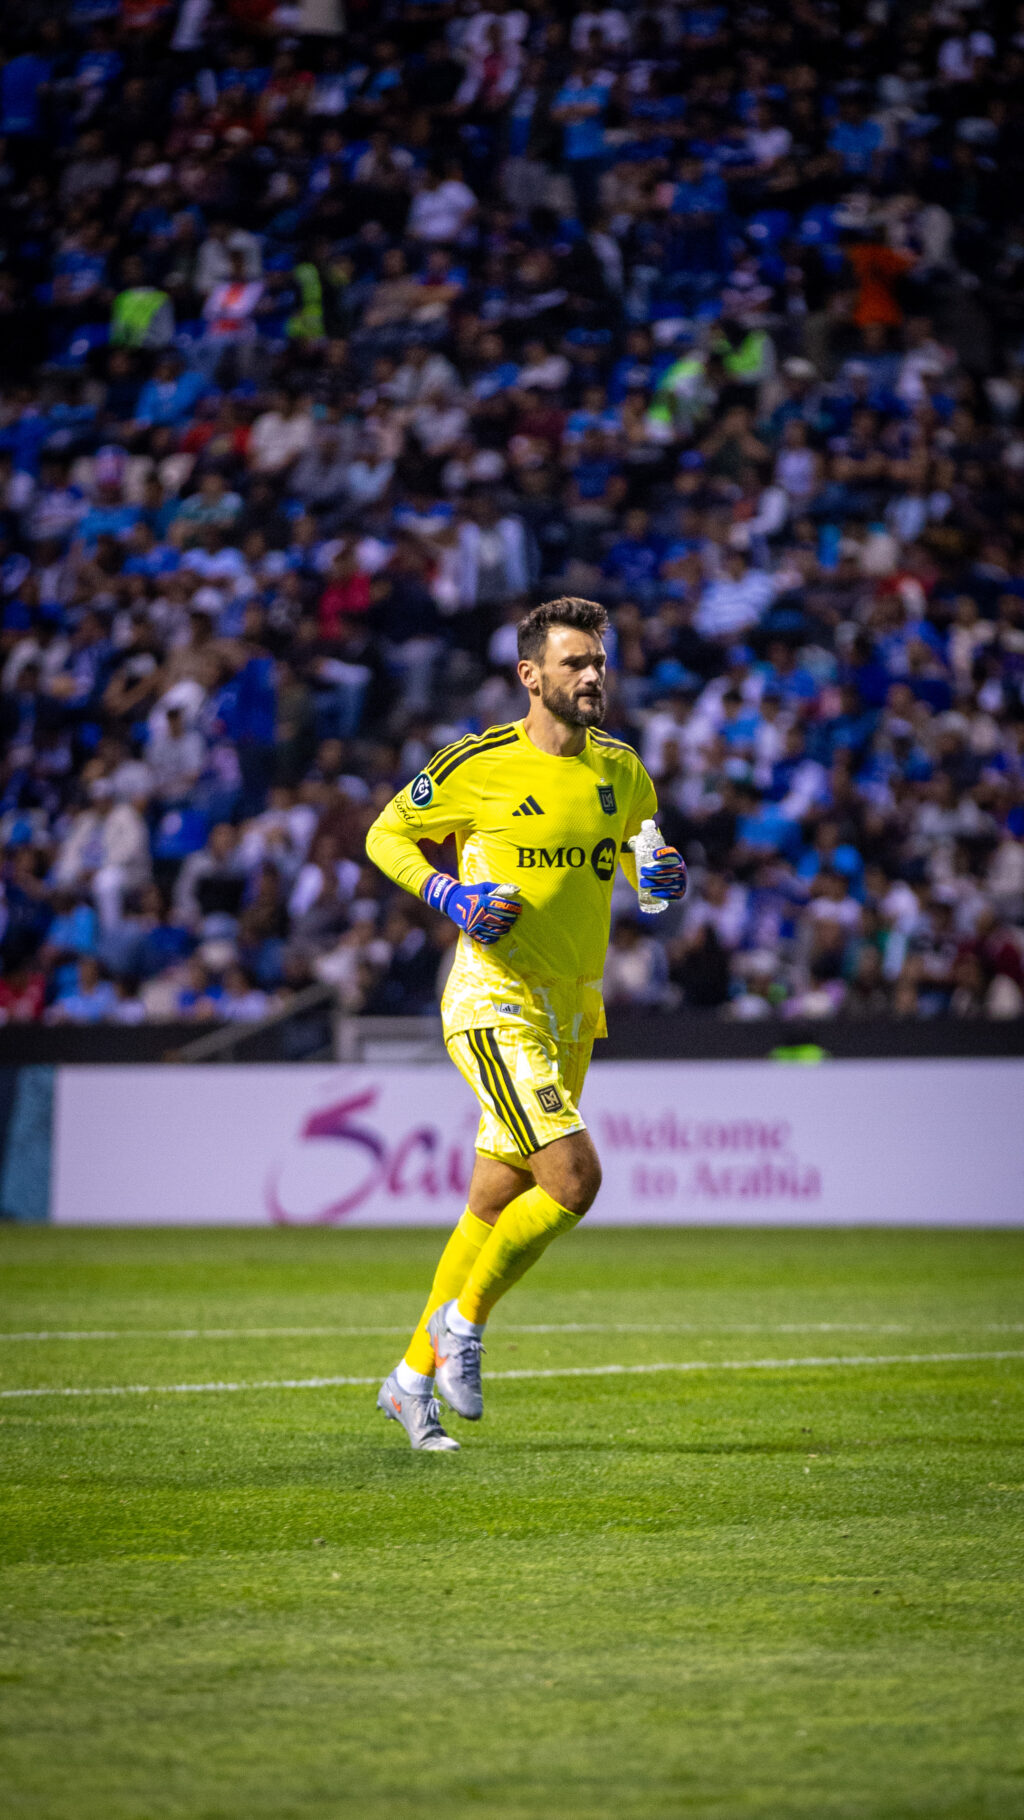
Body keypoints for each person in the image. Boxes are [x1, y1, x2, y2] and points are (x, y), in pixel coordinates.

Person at [364, 596, 688, 1450]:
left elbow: (640, 863)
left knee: (492, 1200)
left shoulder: (622, 770)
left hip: (573, 1006)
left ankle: (409, 1378)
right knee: (574, 1181)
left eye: (599, 662)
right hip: (491, 997)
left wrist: (658, 877)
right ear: (530, 675)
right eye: (575, 662)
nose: (592, 676)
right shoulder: (478, 763)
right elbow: (387, 834)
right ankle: (465, 1325)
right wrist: (450, 893)